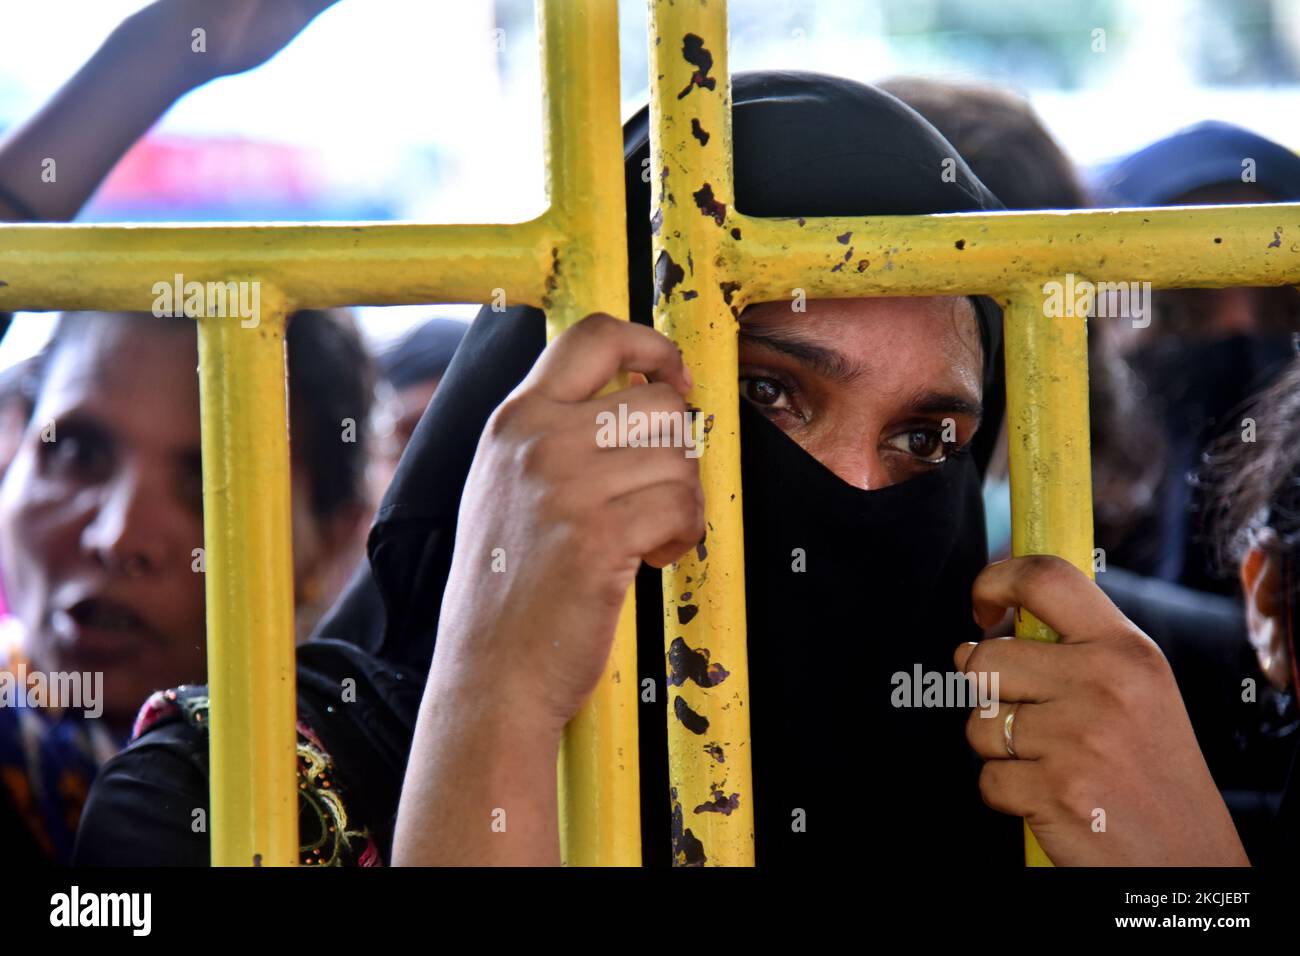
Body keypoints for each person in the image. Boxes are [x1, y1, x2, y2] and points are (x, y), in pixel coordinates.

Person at [0, 309, 372, 865]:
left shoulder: (381, 782)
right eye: (78, 452)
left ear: (334, 537)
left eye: (211, 482)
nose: (119, 537)